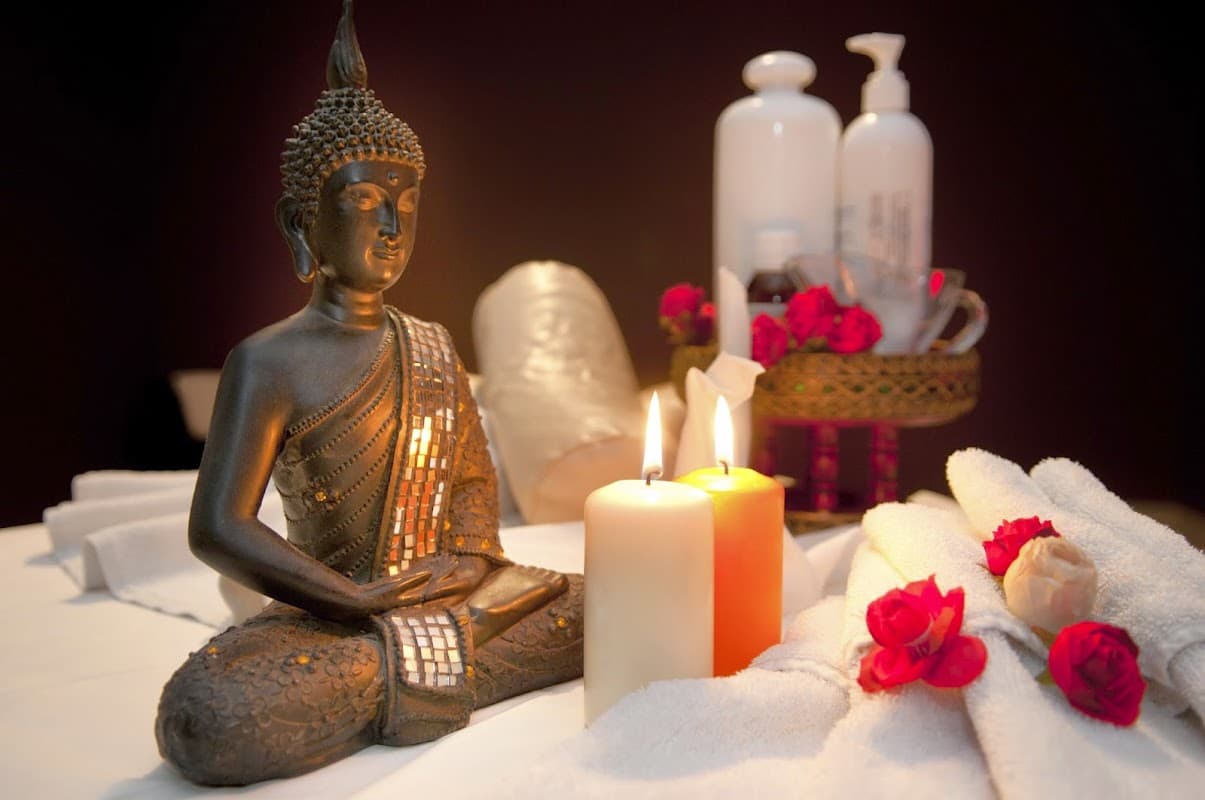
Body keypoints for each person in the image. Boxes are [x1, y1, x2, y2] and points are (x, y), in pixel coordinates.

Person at [155, 1, 582, 785]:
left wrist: (463, 562)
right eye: (361, 201)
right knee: (207, 716)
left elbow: (471, 491)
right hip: (323, 615)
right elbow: (219, 528)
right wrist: (354, 601)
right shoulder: (266, 360)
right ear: (299, 222)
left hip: (444, 595)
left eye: (408, 204)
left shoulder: (430, 345)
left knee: (600, 601)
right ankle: (422, 663)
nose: (391, 224)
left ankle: (392, 671)